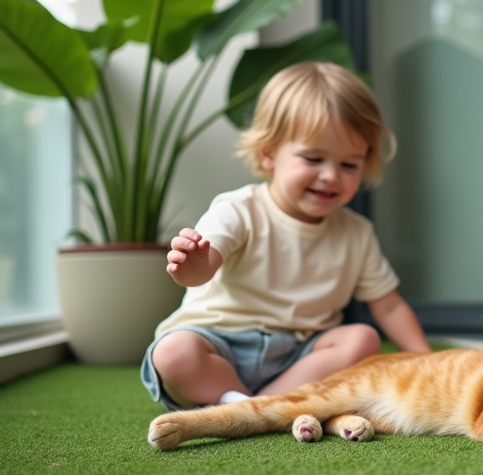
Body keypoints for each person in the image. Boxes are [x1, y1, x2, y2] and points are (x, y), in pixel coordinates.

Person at [141, 62, 431, 409]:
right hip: (219, 345)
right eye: (313, 158)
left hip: (302, 357)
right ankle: (243, 400)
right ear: (269, 154)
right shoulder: (238, 209)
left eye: (349, 165)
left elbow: (389, 306)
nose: (330, 176)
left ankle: (256, 407)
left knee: (363, 339)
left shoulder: (356, 232)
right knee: (173, 352)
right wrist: (191, 266)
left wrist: (427, 361)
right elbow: (198, 273)